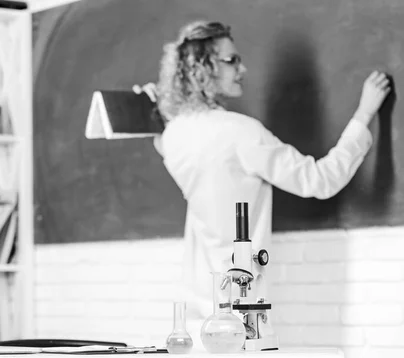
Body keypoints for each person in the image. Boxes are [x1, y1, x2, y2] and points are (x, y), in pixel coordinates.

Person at [135, 20, 391, 321]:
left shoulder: (175, 135)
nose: (242, 70)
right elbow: (320, 181)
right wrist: (364, 113)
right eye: (231, 61)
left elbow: (163, 141)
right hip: (240, 309)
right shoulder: (241, 133)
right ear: (200, 69)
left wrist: (151, 109)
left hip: (193, 309)